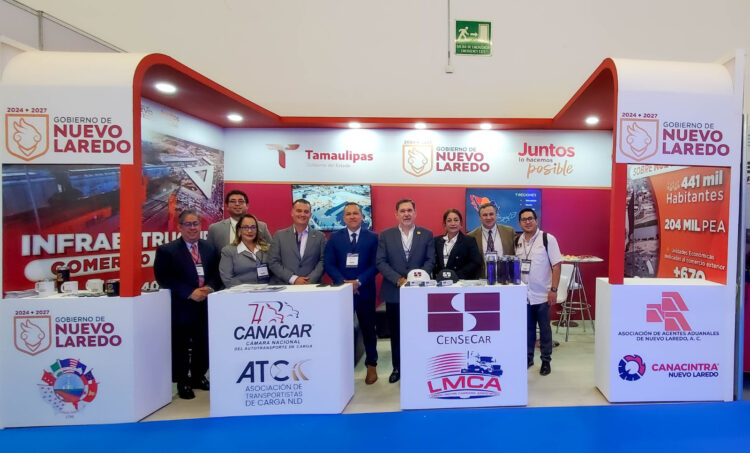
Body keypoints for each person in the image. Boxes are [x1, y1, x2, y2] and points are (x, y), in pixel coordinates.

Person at [154, 209, 221, 399]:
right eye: (188, 224)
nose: (192, 228)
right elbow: (164, 277)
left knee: (203, 342)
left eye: (196, 224)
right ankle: (182, 380)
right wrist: (190, 293)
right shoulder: (167, 250)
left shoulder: (210, 248)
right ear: (180, 227)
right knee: (181, 344)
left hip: (206, 303)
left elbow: (217, 273)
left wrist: (209, 287)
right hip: (182, 305)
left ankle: (198, 376)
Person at [376, 198, 435, 383]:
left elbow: (430, 260)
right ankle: (397, 367)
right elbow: (380, 261)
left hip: (419, 293)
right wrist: (399, 279)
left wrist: (417, 279)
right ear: (396, 214)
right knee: (397, 333)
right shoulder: (386, 235)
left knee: (419, 332)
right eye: (402, 211)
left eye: (409, 210)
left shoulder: (426, 234)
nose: (406, 214)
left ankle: (419, 366)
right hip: (395, 292)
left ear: (415, 213)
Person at [324, 203, 380, 384]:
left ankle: (371, 364)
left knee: (368, 328)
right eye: (348, 214)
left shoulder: (373, 237)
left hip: (365, 290)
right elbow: (329, 264)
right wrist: (344, 282)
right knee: (342, 330)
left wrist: (358, 281)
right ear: (343, 218)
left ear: (362, 217)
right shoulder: (334, 237)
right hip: (341, 292)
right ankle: (342, 366)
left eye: (356, 213)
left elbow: (376, 264)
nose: (352, 216)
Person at [515, 208, 562, 376]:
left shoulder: (547, 239)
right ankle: (528, 358)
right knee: (527, 329)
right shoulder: (517, 241)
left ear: (537, 220)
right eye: (524, 219)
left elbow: (556, 266)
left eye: (530, 218)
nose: (527, 222)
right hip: (524, 295)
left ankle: (546, 360)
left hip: (542, 294)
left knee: (544, 330)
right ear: (519, 223)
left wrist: (553, 290)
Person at [269, 199, 326, 284]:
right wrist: (294, 279)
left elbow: (323, 261)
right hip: (285, 285)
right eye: (299, 211)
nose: (302, 214)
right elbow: (273, 262)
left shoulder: (320, 237)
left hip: (311, 286)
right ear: (292, 213)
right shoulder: (279, 236)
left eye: (306, 212)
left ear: (310, 215)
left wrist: (308, 281)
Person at [207, 190, 272, 254]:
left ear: (247, 206)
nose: (237, 204)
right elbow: (210, 255)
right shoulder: (215, 228)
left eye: (241, 201)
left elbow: (272, 251)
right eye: (233, 201)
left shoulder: (261, 226)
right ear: (227, 206)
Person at [219, 214, 270, 288]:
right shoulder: (229, 251)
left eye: (253, 227)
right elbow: (227, 279)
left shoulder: (268, 249)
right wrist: (249, 290)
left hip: (267, 291)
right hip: (239, 292)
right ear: (239, 230)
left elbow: (275, 273)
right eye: (246, 227)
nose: (250, 231)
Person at [467, 202, 516, 278]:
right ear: (480, 218)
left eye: (491, 214)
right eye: (485, 215)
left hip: (505, 279)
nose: (488, 217)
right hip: (482, 279)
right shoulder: (471, 236)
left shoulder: (509, 232)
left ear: (496, 215)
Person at [433, 209, 482, 280]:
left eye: (456, 220)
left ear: (461, 224)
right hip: (440, 281)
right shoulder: (436, 241)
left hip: (460, 281)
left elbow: (475, 262)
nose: (453, 223)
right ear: (444, 224)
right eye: (449, 220)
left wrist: (456, 276)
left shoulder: (469, 241)